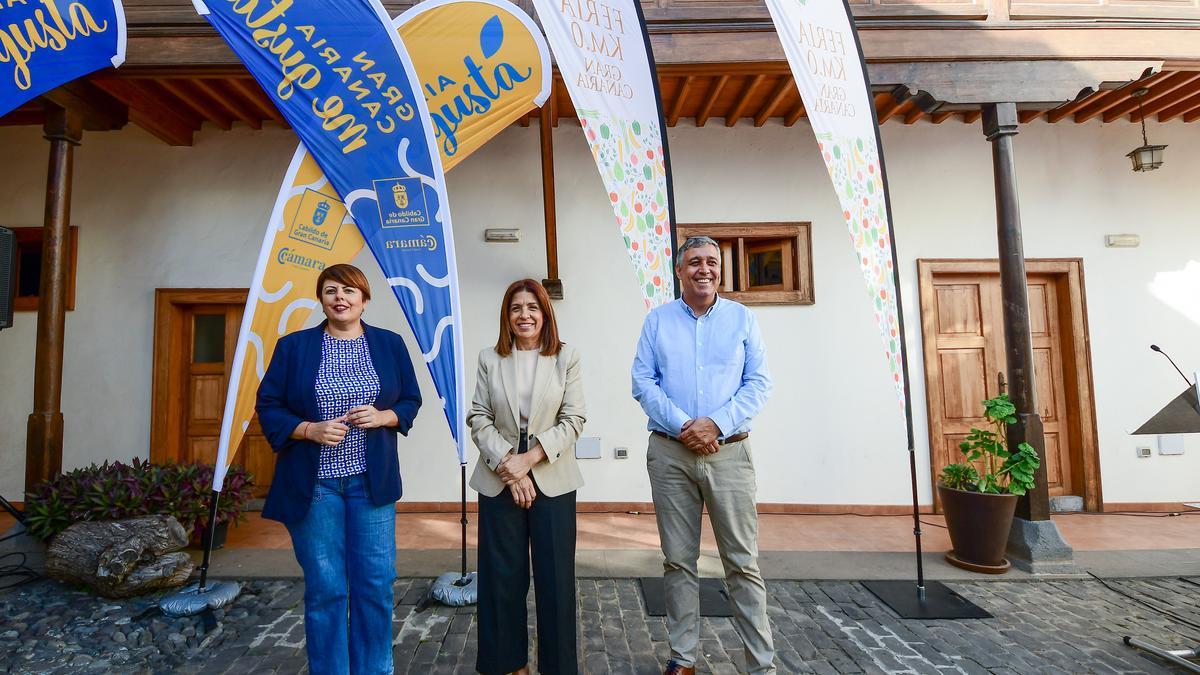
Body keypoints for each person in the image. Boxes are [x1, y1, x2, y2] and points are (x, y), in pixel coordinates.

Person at [256, 263, 421, 675]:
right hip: (315, 486)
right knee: (326, 588)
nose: (340, 298)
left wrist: (384, 417)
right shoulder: (294, 347)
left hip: (371, 483)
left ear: (364, 299)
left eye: (349, 291)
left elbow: (410, 400)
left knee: (375, 584)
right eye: (331, 291)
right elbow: (269, 405)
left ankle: (374, 670)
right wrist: (308, 429)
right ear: (321, 299)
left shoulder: (390, 344)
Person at [632, 236, 776, 675]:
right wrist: (685, 426)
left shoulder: (742, 319)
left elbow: (759, 383)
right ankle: (683, 658)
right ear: (679, 272)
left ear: (720, 270)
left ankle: (761, 666)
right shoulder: (657, 321)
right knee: (678, 561)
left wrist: (715, 423)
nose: (704, 269)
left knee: (742, 563)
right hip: (670, 455)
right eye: (694, 262)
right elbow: (642, 381)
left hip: (729, 453)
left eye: (712, 262)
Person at [468, 278, 587, 675]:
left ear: (545, 314)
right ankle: (509, 665)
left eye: (532, 307)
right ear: (507, 315)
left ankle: (558, 667)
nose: (525, 315)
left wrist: (529, 460)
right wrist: (509, 464)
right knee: (501, 578)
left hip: (552, 475)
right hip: (499, 476)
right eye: (516, 308)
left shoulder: (566, 357)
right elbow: (479, 417)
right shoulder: (489, 358)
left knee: (556, 581)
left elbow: (574, 418)